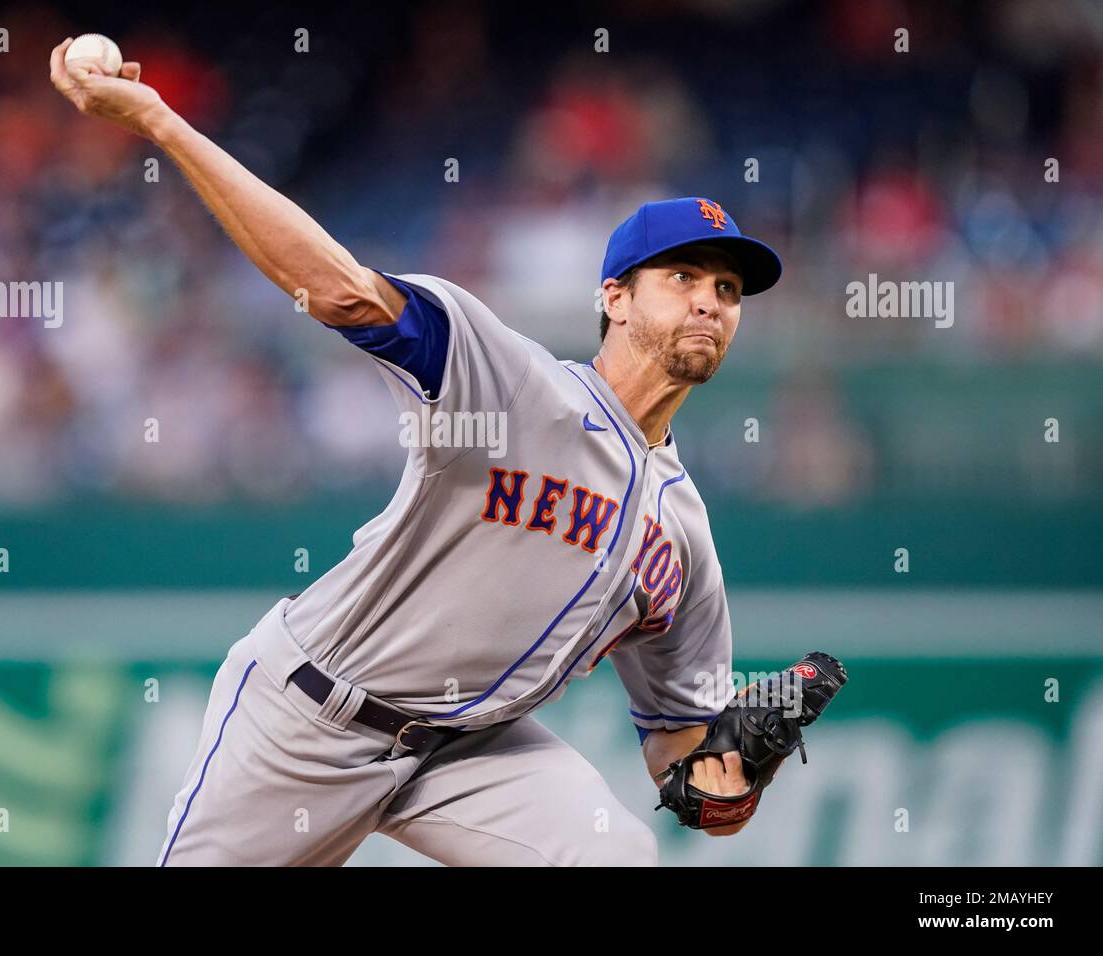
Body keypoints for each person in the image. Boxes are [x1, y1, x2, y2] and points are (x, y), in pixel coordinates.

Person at [49, 37, 783, 866]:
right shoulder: (509, 382)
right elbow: (339, 288)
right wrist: (161, 123)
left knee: (616, 857)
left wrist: (728, 780)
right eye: (683, 276)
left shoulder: (684, 535)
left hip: (473, 751)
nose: (710, 302)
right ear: (613, 296)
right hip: (311, 716)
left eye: (728, 290)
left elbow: (681, 751)